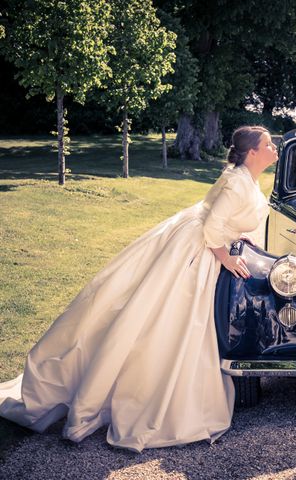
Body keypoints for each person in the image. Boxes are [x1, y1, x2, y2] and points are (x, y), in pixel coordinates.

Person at [0, 126, 276, 452]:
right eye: (269, 144)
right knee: (171, 318)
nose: (274, 148)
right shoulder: (236, 181)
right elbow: (213, 227)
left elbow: (225, 219)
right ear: (252, 152)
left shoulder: (244, 177)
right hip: (197, 252)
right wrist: (225, 257)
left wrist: (236, 235)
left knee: (173, 321)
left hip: (201, 241)